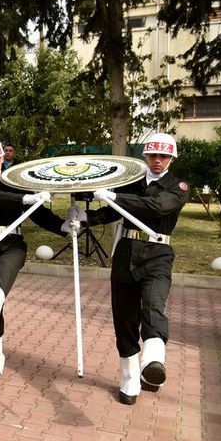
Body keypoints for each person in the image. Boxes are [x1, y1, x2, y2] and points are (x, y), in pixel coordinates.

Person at [83, 133, 188, 405]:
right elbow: (112, 213)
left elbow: (157, 207)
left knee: (153, 305)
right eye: (153, 155)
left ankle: (153, 361)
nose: (157, 161)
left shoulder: (178, 187)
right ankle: (129, 378)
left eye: (163, 156)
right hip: (126, 254)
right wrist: (85, 218)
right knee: (125, 319)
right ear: (145, 156)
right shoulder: (132, 183)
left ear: (172, 159)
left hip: (158, 254)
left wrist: (115, 196)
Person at [0, 136, 67, 382]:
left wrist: (64, 226)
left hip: (12, 244)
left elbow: (38, 213)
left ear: (3, 157)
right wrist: (24, 198)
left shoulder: (16, 183)